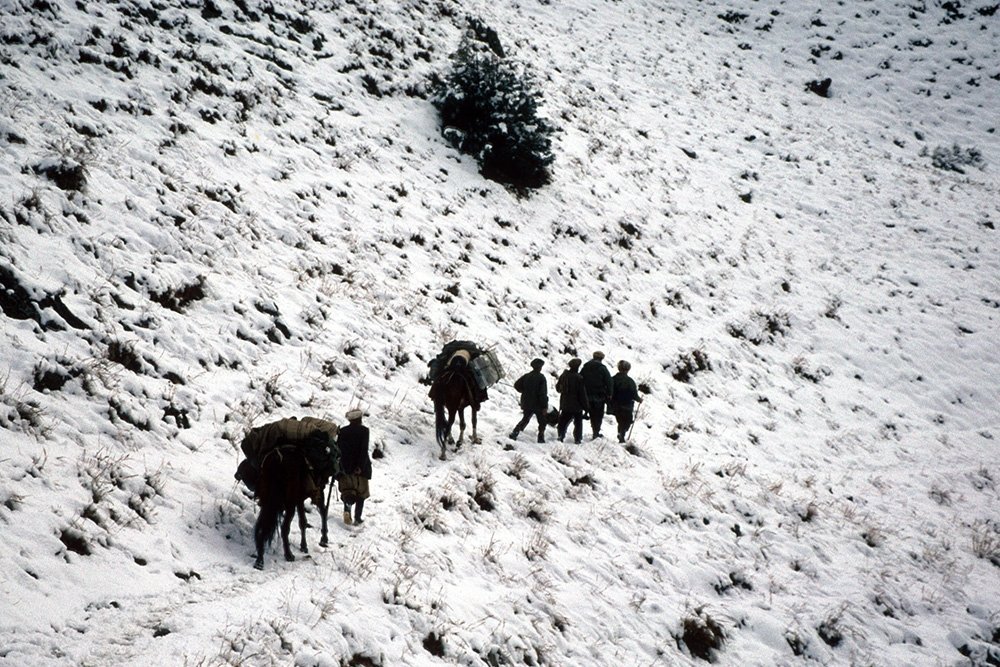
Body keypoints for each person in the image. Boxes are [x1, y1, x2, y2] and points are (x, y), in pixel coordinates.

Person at [337, 409, 372, 525]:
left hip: (345, 467)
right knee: (361, 493)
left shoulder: (342, 431)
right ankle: (357, 517)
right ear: (360, 419)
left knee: (348, 492)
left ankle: (347, 507)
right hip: (359, 468)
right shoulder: (364, 431)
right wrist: (360, 466)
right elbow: (363, 449)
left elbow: (339, 449)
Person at [510, 358, 548, 443]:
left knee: (525, 419)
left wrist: (523, 390)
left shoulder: (526, 376)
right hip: (538, 404)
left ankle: (515, 432)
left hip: (526, 402)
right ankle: (540, 437)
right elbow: (543, 394)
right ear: (540, 367)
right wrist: (544, 406)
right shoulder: (541, 378)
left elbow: (516, 385)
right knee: (542, 421)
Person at [580, 351, 613, 439]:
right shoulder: (602, 368)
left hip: (586, 394)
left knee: (589, 412)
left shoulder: (586, 366)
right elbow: (609, 382)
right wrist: (609, 394)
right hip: (599, 396)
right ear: (601, 359)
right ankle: (595, 432)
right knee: (598, 415)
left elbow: (580, 378)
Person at [556, 358, 588, 444]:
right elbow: (582, 394)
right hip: (576, 405)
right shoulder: (579, 378)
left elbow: (558, 388)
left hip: (565, 402)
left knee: (563, 420)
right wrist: (586, 407)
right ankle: (577, 438)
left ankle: (560, 435)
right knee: (578, 422)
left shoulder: (564, 375)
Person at [610, 360, 643, 443]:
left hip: (615, 404)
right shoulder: (630, 381)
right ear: (628, 369)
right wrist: (639, 399)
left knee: (620, 420)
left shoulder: (613, 379)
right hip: (627, 405)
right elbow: (633, 394)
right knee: (627, 421)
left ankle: (620, 433)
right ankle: (622, 435)